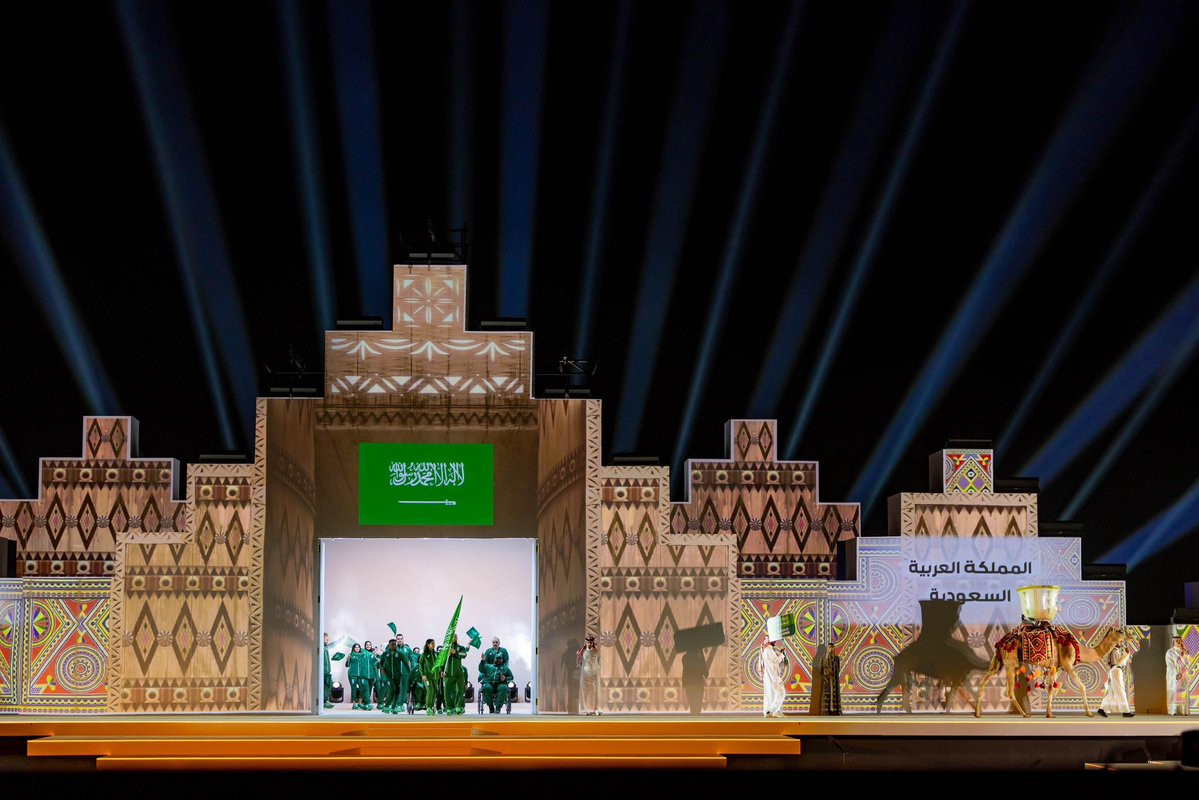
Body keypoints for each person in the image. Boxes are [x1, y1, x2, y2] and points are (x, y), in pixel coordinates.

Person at [1098, 635, 1133, 717]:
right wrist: (1125, 654)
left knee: (1111, 691)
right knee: (1120, 690)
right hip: (1116, 670)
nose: (1121, 643)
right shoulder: (1114, 651)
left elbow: (1121, 663)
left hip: (1115, 670)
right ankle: (1126, 711)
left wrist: (1126, 654)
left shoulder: (1115, 651)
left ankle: (1102, 709)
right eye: (1119, 641)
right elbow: (1118, 663)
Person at [760, 638, 788, 718]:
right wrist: (782, 653)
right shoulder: (768, 650)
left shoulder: (769, 650)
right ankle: (772, 711)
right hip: (772, 676)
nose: (775, 641)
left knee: (770, 694)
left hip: (771, 676)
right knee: (780, 692)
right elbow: (776, 661)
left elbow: (775, 661)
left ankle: (770, 711)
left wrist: (781, 653)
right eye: (773, 640)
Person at [443, 633, 470, 715]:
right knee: (447, 691)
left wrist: (455, 652)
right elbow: (441, 661)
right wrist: (441, 671)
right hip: (448, 673)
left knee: (460, 690)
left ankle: (458, 706)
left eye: (455, 637)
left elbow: (464, 655)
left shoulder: (461, 647)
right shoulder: (445, 648)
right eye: (453, 637)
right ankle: (449, 708)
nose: (454, 638)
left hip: (459, 673)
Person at [1166, 634, 1191, 716]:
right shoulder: (1170, 652)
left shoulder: (1185, 652)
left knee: (1184, 692)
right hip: (1173, 675)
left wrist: (1182, 672)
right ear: (1173, 642)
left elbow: (1188, 663)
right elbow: (1170, 664)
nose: (1178, 641)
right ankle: (1173, 711)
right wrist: (1176, 673)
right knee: (1173, 691)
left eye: (1179, 640)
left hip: (1184, 675)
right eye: (1176, 640)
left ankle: (1184, 711)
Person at [378, 639, 404, 714]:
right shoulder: (385, 654)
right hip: (387, 676)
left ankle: (393, 706)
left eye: (395, 644)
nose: (394, 646)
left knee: (396, 690)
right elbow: (380, 664)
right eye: (392, 644)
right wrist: (382, 669)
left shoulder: (398, 654)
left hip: (397, 676)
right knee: (392, 688)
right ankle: (386, 705)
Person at [578, 634, 601, 715]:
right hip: (585, 674)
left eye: (591, 642)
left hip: (594, 674)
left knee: (594, 692)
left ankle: (595, 709)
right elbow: (579, 663)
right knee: (585, 691)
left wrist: (596, 670)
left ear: (593, 643)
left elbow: (599, 662)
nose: (589, 644)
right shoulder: (581, 652)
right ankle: (586, 709)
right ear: (586, 642)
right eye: (588, 642)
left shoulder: (596, 651)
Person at [680, 648, 708, 715]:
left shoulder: (685, 657)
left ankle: (693, 717)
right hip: (698, 683)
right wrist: (702, 659)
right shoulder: (699, 658)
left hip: (689, 683)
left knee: (692, 705)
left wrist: (684, 683)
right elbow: (706, 673)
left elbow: (685, 671)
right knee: (698, 705)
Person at [346, 643, 373, 711]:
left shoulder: (362, 655)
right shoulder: (351, 655)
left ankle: (360, 702)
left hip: (360, 675)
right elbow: (347, 665)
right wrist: (348, 660)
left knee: (363, 688)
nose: (357, 648)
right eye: (356, 647)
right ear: (353, 648)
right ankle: (354, 704)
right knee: (354, 689)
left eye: (358, 647)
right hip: (352, 675)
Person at [419, 639, 441, 716]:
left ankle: (431, 707)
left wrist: (440, 672)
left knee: (434, 691)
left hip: (435, 676)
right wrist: (422, 675)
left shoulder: (436, 654)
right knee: (430, 690)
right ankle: (428, 707)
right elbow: (420, 665)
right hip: (427, 677)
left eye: (434, 643)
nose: (434, 645)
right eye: (432, 643)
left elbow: (439, 664)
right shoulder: (424, 655)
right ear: (428, 645)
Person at [322, 633, 334, 709]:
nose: (327, 640)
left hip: (327, 671)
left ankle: (326, 701)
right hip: (323, 671)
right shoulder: (321, 648)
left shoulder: (326, 648)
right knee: (327, 685)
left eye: (327, 639)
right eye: (326, 639)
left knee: (328, 685)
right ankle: (325, 701)